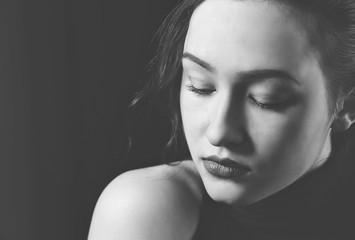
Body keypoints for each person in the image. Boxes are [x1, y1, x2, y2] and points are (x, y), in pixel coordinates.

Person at [88, 0, 355, 239]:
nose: (219, 132)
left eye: (266, 99)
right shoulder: (141, 208)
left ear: (347, 107)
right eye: (200, 86)